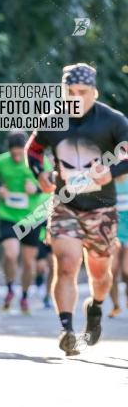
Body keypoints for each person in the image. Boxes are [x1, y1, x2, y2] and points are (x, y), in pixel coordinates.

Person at [25, 63, 128, 355]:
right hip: (65, 204)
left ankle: (95, 307)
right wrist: (41, 173)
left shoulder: (112, 120)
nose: (75, 97)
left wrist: (113, 171)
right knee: (67, 264)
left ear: (94, 92)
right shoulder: (52, 119)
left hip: (101, 208)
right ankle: (66, 330)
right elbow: (33, 150)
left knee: (100, 274)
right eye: (69, 92)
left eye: (82, 92)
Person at [0, 131, 51, 314]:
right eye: (13, 154)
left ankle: (24, 296)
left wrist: (37, 188)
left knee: (29, 262)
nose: (17, 158)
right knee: (10, 253)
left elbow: (51, 185)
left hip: (32, 217)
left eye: (20, 154)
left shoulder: (38, 161)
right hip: (8, 214)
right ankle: (10, 289)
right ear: (9, 151)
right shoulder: (0, 162)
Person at [109, 173, 128, 317]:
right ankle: (115, 305)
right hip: (113, 228)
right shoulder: (108, 178)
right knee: (112, 270)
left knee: (127, 270)